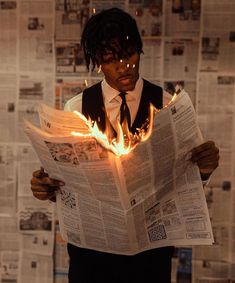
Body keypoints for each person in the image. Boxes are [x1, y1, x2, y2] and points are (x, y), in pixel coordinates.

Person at [30, 8, 219, 283]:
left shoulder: (167, 104)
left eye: (129, 54)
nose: (124, 67)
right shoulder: (76, 108)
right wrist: (45, 188)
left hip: (150, 260)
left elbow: (185, 183)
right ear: (97, 62)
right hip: (90, 260)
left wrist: (204, 170)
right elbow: (64, 183)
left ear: (139, 51)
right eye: (110, 59)